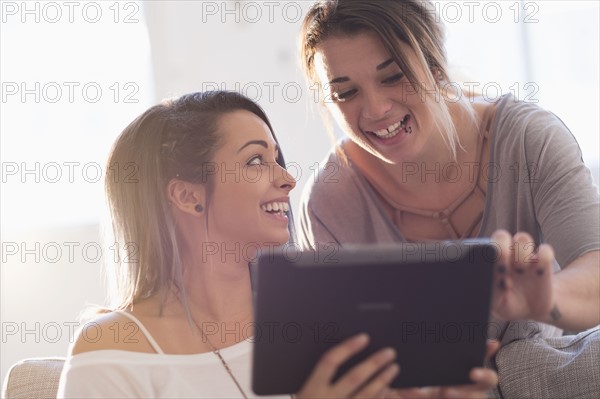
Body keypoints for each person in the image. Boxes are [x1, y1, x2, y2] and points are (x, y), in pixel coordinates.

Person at [56, 91, 496, 398]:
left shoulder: (325, 320)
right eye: (255, 161)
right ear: (187, 195)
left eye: (278, 159)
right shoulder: (111, 352)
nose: (287, 179)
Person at [298, 0, 600, 397]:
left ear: (435, 67)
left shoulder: (528, 138)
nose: (375, 109)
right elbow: (339, 363)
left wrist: (545, 299)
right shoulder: (327, 201)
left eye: (392, 77)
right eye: (346, 92)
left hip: (542, 370)